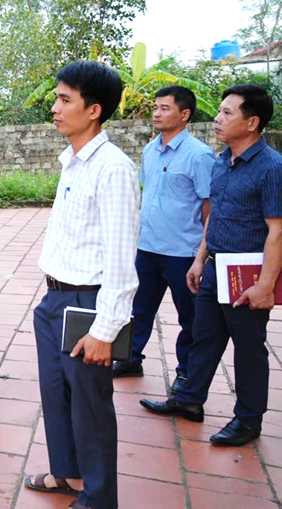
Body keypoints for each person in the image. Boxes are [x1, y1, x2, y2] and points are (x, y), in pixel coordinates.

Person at [23, 61, 139, 509]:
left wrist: (105, 329)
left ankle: (98, 496)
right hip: (55, 298)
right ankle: (67, 473)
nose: (54, 108)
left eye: (64, 99)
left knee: (89, 405)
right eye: (56, 98)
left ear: (93, 110)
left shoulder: (113, 169)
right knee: (57, 395)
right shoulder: (73, 161)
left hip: (87, 304)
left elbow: (120, 260)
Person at [140, 84, 282, 446]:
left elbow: (277, 231)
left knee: (248, 348)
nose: (217, 118)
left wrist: (265, 286)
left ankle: (248, 420)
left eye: (227, 113)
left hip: (247, 273)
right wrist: (200, 259)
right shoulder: (222, 161)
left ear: (252, 122)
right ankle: (189, 399)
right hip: (215, 266)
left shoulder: (271, 168)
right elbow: (213, 215)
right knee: (203, 337)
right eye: (219, 111)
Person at [112, 86, 215, 395]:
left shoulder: (199, 155)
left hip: (183, 252)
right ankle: (130, 358)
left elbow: (210, 209)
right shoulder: (150, 150)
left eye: (165, 108)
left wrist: (201, 256)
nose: (156, 113)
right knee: (137, 309)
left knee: (190, 318)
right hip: (147, 248)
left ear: (185, 114)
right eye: (155, 107)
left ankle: (186, 374)